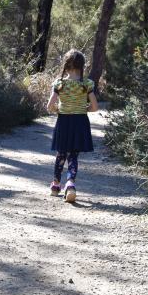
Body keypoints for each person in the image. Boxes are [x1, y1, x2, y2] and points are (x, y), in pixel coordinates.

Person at [45, 49, 99, 203]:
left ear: (66, 65)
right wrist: (83, 109)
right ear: (82, 66)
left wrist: (59, 110)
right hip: (80, 122)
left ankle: (55, 185)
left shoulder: (60, 83)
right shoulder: (86, 84)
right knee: (73, 155)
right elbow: (95, 107)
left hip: (63, 121)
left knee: (61, 153)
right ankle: (70, 185)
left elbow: (50, 106)